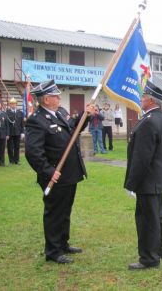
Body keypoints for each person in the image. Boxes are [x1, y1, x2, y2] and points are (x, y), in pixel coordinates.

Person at [25, 80, 94, 264]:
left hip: (69, 174)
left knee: (65, 211)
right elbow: (33, 152)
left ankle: (63, 243)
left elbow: (74, 129)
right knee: (54, 212)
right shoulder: (36, 120)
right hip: (54, 176)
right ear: (46, 99)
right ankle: (53, 251)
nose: (59, 97)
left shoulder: (60, 113)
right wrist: (48, 171)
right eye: (55, 95)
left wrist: (85, 116)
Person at [124, 80, 162, 270]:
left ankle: (149, 258)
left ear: (151, 100)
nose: (141, 99)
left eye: (143, 96)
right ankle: (160, 249)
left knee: (146, 221)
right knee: (158, 216)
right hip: (158, 178)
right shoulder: (161, 118)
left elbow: (142, 158)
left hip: (148, 180)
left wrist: (131, 184)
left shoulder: (148, 122)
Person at [6, 97, 25, 165]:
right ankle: (11, 161)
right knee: (10, 148)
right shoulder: (7, 112)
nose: (13, 105)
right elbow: (6, 124)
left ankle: (17, 160)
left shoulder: (20, 112)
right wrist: (7, 133)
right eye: (11, 104)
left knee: (17, 147)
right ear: (9, 105)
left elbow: (22, 123)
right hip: (10, 132)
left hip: (18, 132)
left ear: (16, 104)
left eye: (14, 104)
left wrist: (23, 132)